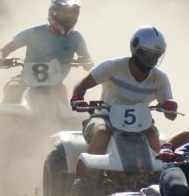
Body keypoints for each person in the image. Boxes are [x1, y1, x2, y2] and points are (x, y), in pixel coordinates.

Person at [69, 26, 178, 154]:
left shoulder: (160, 78)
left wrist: (171, 106)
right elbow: (82, 85)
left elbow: (171, 116)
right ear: (135, 47)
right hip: (105, 117)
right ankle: (89, 167)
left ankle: (155, 167)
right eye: (146, 53)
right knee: (101, 133)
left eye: (156, 55)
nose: (151, 58)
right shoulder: (112, 66)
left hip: (141, 122)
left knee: (153, 135)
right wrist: (77, 98)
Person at [0, 0, 92, 103]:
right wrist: (0, 58)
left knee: (65, 101)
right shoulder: (33, 33)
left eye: (72, 15)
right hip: (26, 79)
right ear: (53, 14)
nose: (68, 19)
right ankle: (2, 114)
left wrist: (86, 62)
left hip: (56, 84)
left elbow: (88, 60)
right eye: (64, 15)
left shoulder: (76, 38)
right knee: (13, 89)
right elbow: (4, 50)